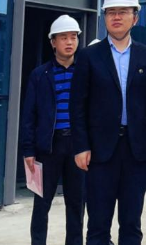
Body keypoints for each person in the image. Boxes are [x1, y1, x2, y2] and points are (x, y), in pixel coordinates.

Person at [71, 0, 146, 245]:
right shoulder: (89, 56)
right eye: (111, 12)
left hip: (136, 151)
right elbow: (77, 105)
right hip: (99, 153)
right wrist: (81, 146)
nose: (116, 17)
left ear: (135, 18)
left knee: (131, 223)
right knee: (98, 225)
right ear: (104, 17)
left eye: (123, 12)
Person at [21, 15, 85, 245]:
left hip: (78, 147)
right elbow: (29, 114)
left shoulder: (85, 72)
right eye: (63, 37)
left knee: (76, 203)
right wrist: (28, 150)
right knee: (41, 202)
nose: (69, 42)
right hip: (48, 147)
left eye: (73, 37)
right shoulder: (40, 75)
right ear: (53, 42)